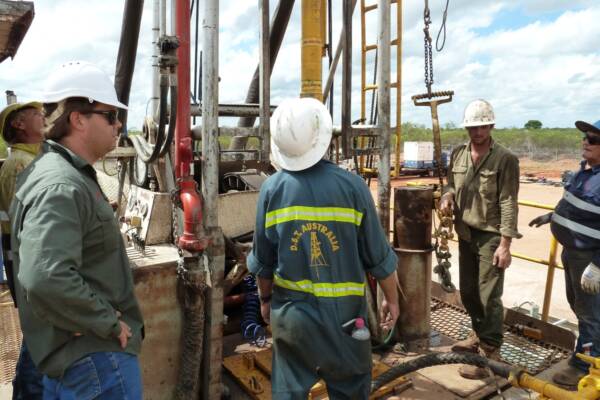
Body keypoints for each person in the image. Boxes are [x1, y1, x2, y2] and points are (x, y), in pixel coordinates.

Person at [248, 97, 400, 399]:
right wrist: (392, 301)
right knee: (351, 388)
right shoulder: (353, 187)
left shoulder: (271, 189)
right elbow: (379, 259)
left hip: (292, 319)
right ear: (323, 138)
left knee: (288, 392)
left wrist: (265, 300)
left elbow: (263, 263)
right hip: (347, 322)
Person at [10, 61, 144, 399]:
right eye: (110, 115)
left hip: (81, 357)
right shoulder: (61, 184)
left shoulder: (62, 173)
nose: (119, 124)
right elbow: (45, 277)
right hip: (97, 360)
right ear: (78, 119)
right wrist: (107, 321)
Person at [440, 99, 521, 380]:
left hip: (491, 236)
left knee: (489, 296)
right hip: (465, 233)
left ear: (491, 126)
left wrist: (505, 244)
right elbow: (451, 184)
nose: (477, 132)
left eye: (482, 126)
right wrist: (447, 196)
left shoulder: (505, 159)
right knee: (468, 292)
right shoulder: (458, 154)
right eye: (472, 127)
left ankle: (490, 355)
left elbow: (509, 202)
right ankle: (478, 333)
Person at [529, 119, 600, 388]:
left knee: (590, 314)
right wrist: (553, 216)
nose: (585, 142)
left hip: (589, 258)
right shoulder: (586, 172)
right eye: (585, 137)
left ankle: (586, 368)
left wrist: (597, 265)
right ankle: (588, 354)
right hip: (572, 252)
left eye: (593, 139)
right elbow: (576, 207)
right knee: (579, 307)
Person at [0, 101, 45, 399]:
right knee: (40, 333)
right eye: (37, 115)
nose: (43, 118)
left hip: (30, 258)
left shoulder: (33, 160)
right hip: (28, 259)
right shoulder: (20, 165)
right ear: (19, 125)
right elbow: (30, 224)